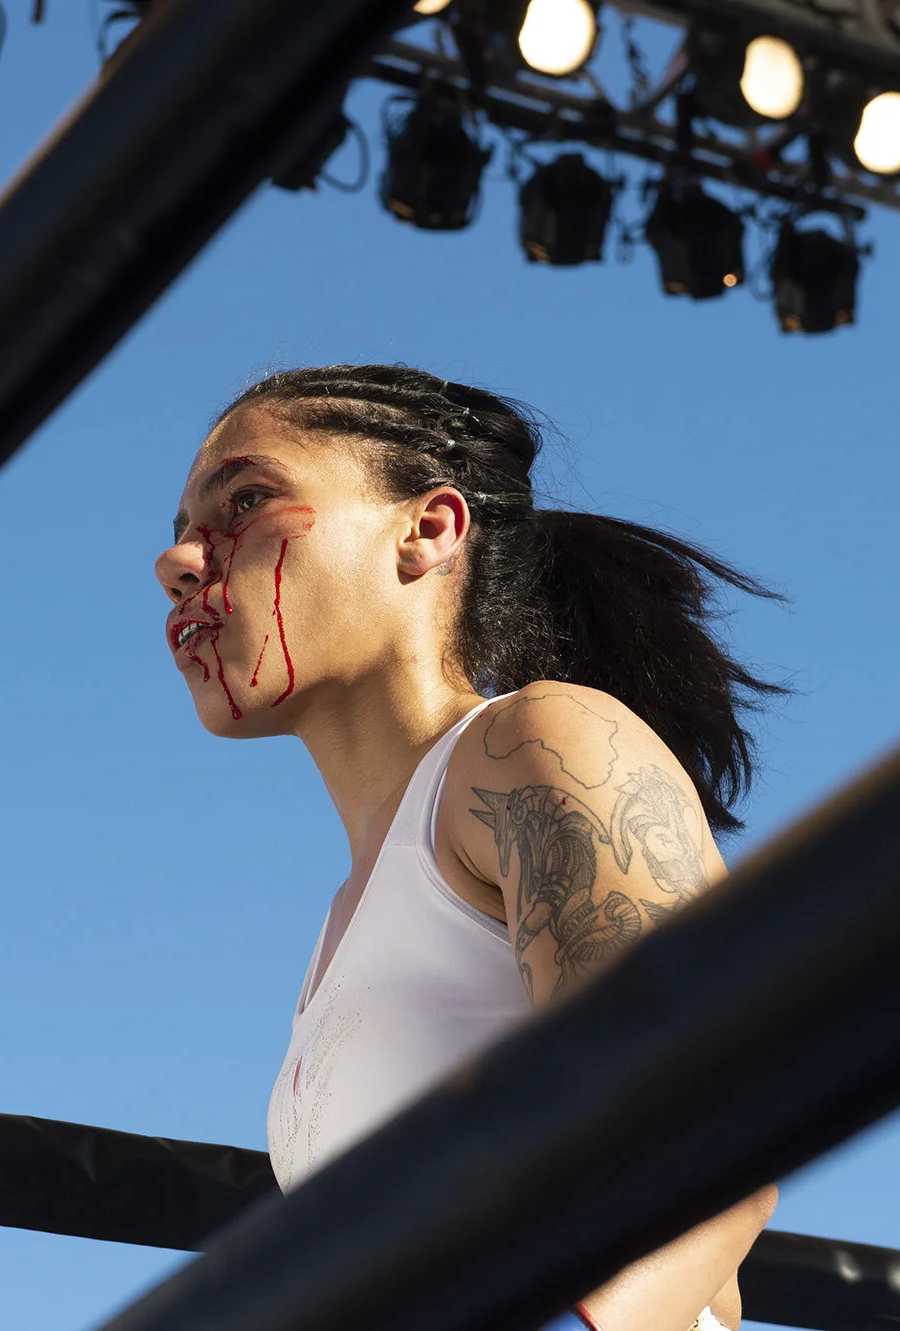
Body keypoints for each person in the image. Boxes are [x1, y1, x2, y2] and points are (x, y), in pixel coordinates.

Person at [154, 365, 784, 1331]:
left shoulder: (541, 740)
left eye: (244, 500)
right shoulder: (342, 922)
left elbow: (714, 1125)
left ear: (428, 529)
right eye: (179, 529)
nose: (179, 561)